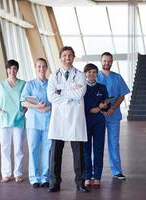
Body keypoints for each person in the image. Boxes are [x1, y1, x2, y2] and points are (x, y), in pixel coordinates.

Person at [47, 46, 89, 193]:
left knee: (78, 154)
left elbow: (80, 93)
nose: (67, 58)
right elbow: (51, 96)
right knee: (55, 154)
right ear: (60, 57)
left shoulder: (80, 75)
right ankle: (54, 183)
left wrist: (62, 92)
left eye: (70, 55)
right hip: (59, 119)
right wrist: (70, 94)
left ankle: (80, 182)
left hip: (75, 118)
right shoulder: (53, 76)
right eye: (64, 55)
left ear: (73, 57)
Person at [97, 52, 130, 180]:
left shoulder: (117, 77)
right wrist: (102, 110)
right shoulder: (96, 76)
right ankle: (95, 171)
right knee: (97, 143)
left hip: (113, 115)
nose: (107, 63)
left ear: (112, 62)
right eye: (105, 61)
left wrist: (113, 108)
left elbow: (122, 95)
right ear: (101, 61)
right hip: (99, 115)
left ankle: (117, 170)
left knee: (114, 143)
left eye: (109, 61)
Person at [0, 59, 26, 183]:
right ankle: (6, 174)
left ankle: (18, 173)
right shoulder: (1, 85)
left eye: (14, 68)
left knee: (18, 148)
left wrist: (23, 112)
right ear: (7, 70)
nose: (12, 71)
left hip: (18, 120)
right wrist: (1, 112)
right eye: (10, 68)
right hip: (4, 121)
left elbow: (26, 101)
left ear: (17, 70)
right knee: (5, 148)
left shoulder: (23, 84)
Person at [20, 58, 51, 188]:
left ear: (47, 67)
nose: (41, 69)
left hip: (49, 121)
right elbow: (23, 102)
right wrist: (37, 106)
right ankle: (34, 178)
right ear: (35, 67)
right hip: (33, 122)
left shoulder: (51, 83)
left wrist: (48, 107)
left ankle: (45, 177)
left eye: (44, 66)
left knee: (46, 150)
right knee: (33, 150)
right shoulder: (30, 84)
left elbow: (56, 101)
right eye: (39, 66)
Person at [83, 63, 110, 189]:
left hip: (99, 122)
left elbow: (107, 103)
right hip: (85, 121)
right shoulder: (81, 88)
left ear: (97, 74)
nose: (91, 74)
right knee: (86, 149)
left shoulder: (102, 87)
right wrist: (90, 110)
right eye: (89, 72)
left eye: (94, 72)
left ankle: (97, 177)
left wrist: (104, 105)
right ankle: (88, 176)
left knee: (98, 149)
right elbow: (78, 105)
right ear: (85, 74)